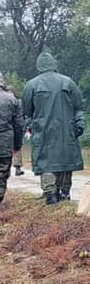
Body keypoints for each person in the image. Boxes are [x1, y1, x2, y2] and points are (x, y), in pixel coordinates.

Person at [22, 52, 85, 204]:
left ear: (39, 66)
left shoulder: (31, 85)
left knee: (46, 161)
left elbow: (26, 111)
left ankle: (50, 194)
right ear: (54, 64)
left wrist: (31, 126)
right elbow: (79, 107)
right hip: (67, 130)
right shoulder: (68, 82)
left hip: (43, 131)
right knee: (65, 160)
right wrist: (79, 125)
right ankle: (64, 192)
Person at [0, 73, 25, 209]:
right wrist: (17, 145)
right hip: (4, 142)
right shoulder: (12, 99)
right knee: (2, 174)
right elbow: (19, 125)